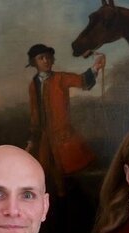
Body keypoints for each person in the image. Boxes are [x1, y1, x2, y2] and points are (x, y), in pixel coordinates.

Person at [25, 43, 105, 196]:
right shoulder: (33, 85)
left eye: (48, 57)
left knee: (73, 174)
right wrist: (31, 141)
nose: (46, 61)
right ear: (34, 62)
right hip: (44, 139)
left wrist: (96, 67)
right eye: (41, 58)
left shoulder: (61, 78)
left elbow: (83, 81)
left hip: (63, 136)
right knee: (45, 176)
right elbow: (35, 115)